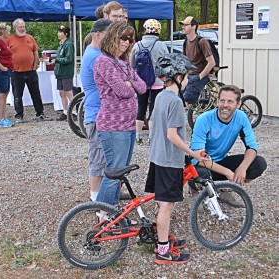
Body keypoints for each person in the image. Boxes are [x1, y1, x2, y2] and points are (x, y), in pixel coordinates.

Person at [145, 53, 209, 265]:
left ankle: (160, 237)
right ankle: (163, 250)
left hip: (157, 157)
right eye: (187, 76)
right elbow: (172, 135)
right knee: (167, 206)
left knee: (161, 200)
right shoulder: (176, 102)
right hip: (169, 161)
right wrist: (193, 153)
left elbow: (152, 124)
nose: (189, 80)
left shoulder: (161, 97)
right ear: (179, 77)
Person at [94, 22, 146, 206]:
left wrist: (129, 83)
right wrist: (129, 84)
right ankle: (104, 211)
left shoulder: (123, 62)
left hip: (128, 125)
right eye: (123, 37)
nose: (127, 42)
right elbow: (122, 91)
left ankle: (112, 209)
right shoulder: (103, 61)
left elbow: (142, 86)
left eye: (130, 39)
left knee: (120, 171)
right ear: (112, 37)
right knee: (115, 170)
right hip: (114, 126)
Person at [189, 85, 267, 186]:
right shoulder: (203, 119)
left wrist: (242, 168)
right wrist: (227, 172)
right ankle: (198, 188)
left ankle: (231, 184)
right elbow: (198, 157)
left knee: (259, 163)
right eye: (222, 100)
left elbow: (252, 147)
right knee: (201, 174)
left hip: (221, 160)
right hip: (202, 164)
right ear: (217, 102)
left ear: (238, 104)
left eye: (230, 101)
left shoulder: (241, 117)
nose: (225, 105)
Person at [80, 19, 112, 201]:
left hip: (99, 114)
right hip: (97, 116)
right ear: (98, 34)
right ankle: (96, 202)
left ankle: (102, 201)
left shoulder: (95, 53)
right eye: (109, 35)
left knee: (102, 160)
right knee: (98, 161)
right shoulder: (95, 56)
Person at [130, 19, 169, 144]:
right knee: (154, 109)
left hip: (141, 83)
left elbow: (132, 64)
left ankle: (138, 135)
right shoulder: (161, 45)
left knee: (141, 107)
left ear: (145, 30)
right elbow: (167, 64)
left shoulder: (137, 45)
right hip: (157, 82)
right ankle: (151, 136)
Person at [6, 18, 52, 122]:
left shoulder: (30, 38)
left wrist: (35, 65)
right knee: (17, 95)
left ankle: (40, 114)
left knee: (36, 93)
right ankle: (19, 116)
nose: (22, 29)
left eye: (23, 26)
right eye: (20, 27)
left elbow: (35, 52)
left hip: (31, 71)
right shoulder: (9, 39)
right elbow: (5, 54)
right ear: (15, 28)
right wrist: (10, 67)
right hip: (16, 72)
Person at [180, 16, 216, 105]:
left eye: (186, 25)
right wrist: (184, 77)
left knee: (186, 98)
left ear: (193, 27)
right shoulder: (185, 42)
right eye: (182, 25)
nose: (183, 27)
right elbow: (185, 62)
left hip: (199, 76)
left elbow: (212, 62)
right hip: (189, 75)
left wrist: (200, 77)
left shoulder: (201, 42)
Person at [52, 26, 74, 121]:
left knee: (68, 93)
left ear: (66, 34)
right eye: (58, 32)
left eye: (60, 32)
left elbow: (69, 59)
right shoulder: (61, 44)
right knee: (61, 93)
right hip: (60, 73)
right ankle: (65, 112)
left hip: (66, 72)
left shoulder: (68, 44)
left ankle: (74, 112)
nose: (58, 34)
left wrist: (57, 60)